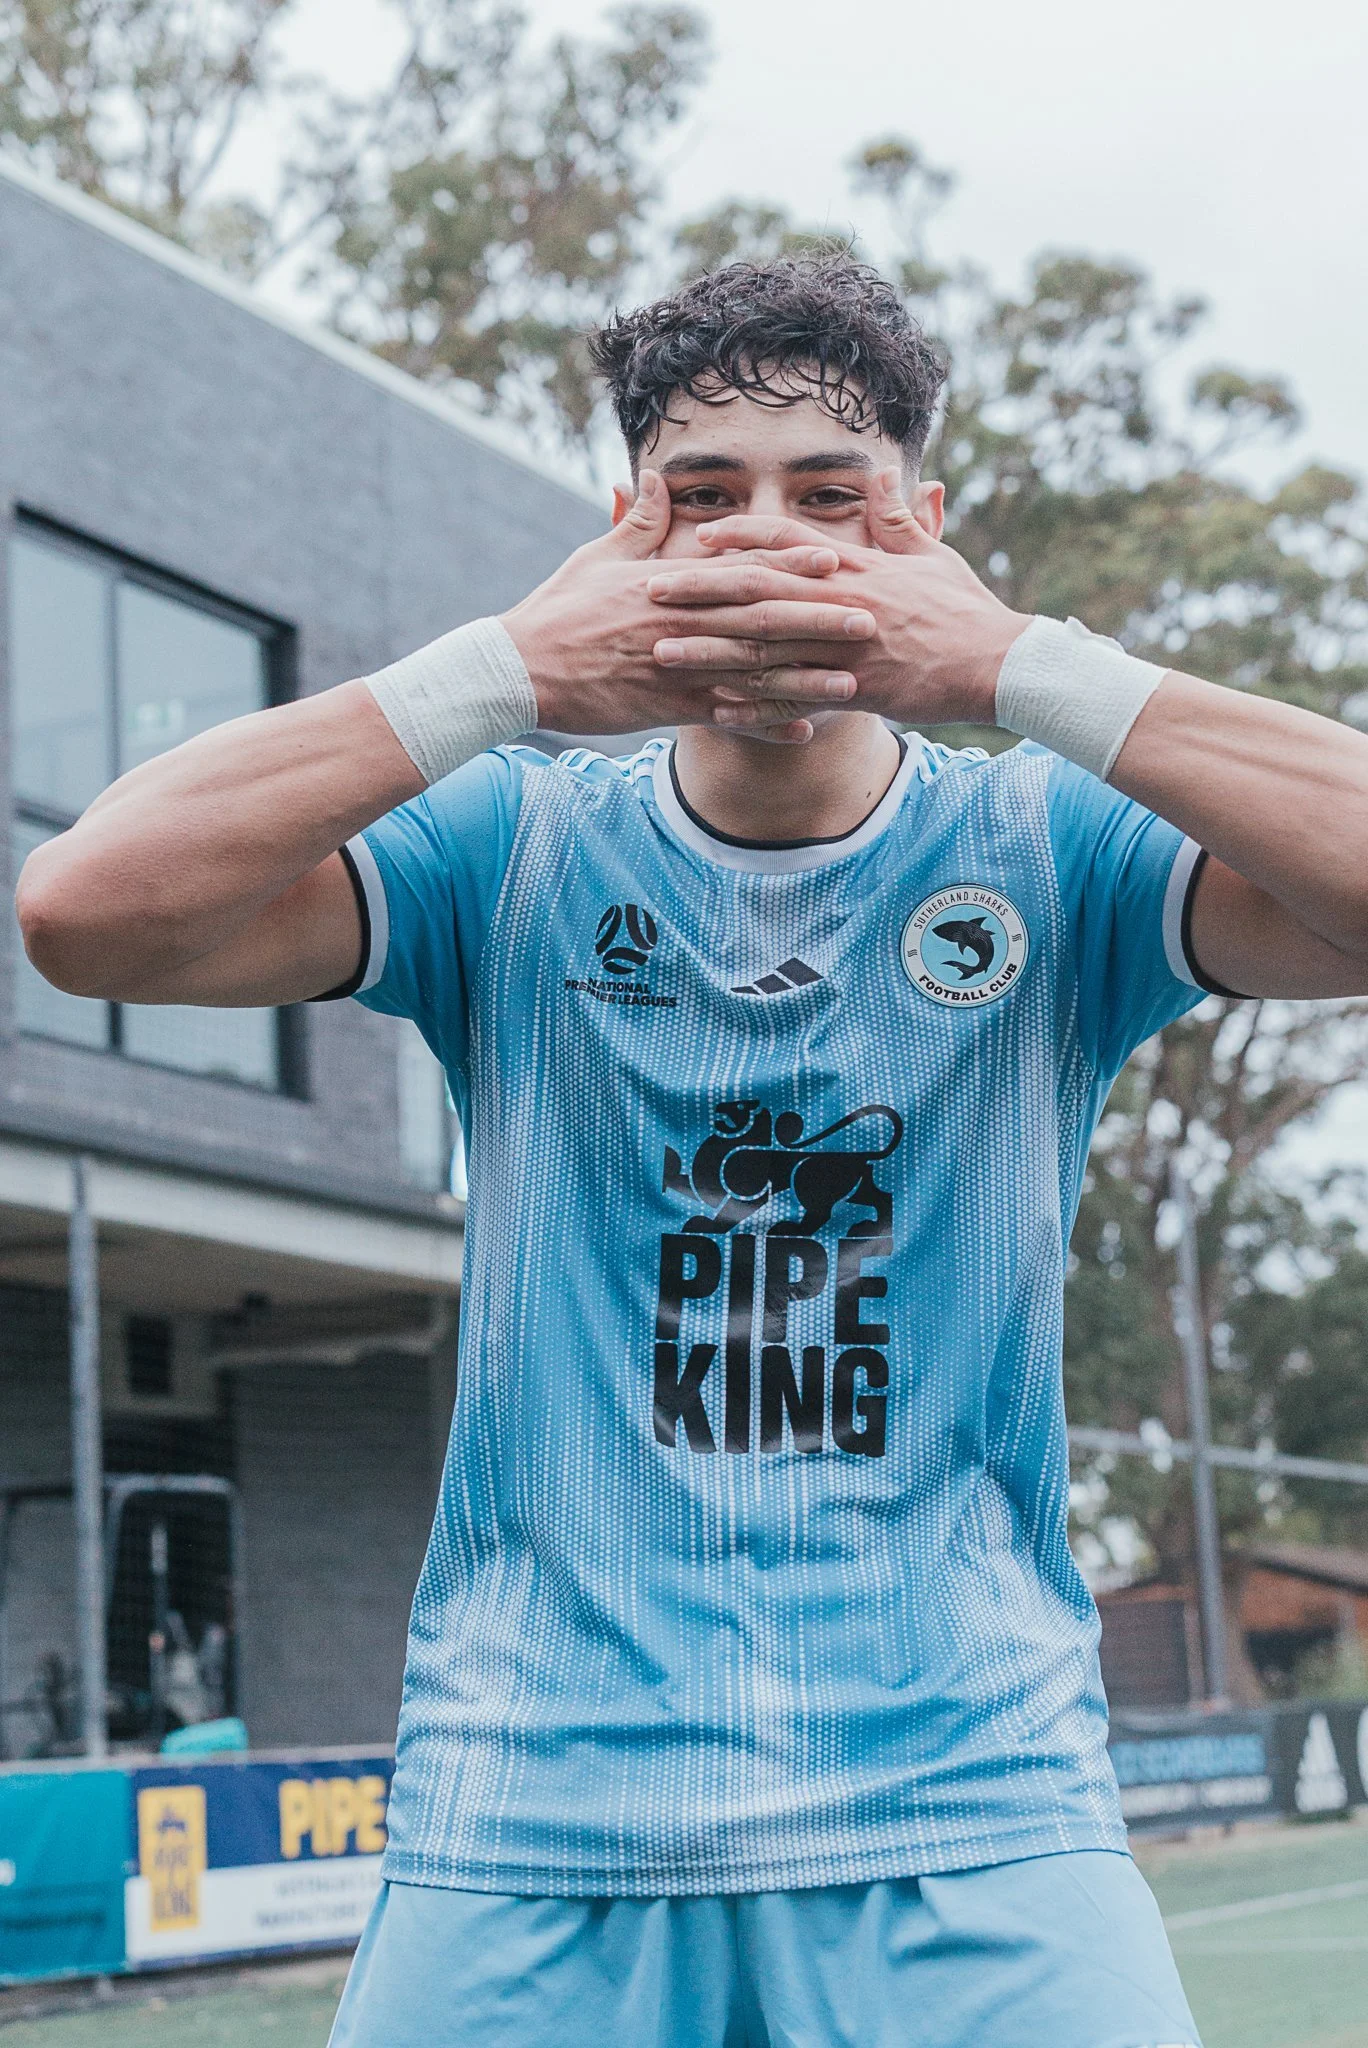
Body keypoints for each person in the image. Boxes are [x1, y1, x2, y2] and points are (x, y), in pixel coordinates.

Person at [19, 257, 1368, 2048]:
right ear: (626, 536)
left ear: (924, 527)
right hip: (533, 1816)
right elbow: (83, 917)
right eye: (703, 500)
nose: (765, 546)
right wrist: (501, 670)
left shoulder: (1057, 854)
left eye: (832, 499)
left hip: (968, 1808)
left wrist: (1017, 663)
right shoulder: (502, 847)